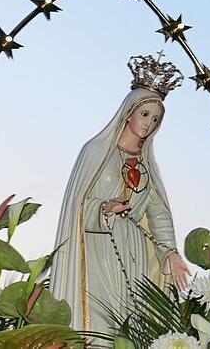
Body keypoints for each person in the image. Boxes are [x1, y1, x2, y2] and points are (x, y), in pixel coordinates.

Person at [50, 55, 190, 335]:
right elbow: (77, 204)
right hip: (97, 247)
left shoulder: (147, 166)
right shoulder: (96, 152)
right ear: (128, 112)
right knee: (100, 322)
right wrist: (104, 208)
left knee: (129, 325)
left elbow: (158, 213)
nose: (149, 123)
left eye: (156, 119)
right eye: (145, 114)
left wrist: (170, 251)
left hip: (134, 251)